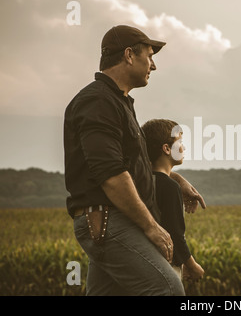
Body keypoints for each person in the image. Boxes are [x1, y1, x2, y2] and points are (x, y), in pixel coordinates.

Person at [63, 25, 205, 295]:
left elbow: (133, 166)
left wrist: (176, 179)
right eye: (150, 56)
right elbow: (111, 175)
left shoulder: (118, 102)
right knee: (168, 288)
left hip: (112, 221)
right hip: (111, 222)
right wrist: (151, 227)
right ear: (129, 55)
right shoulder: (98, 102)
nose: (153, 66)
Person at [141, 119, 205, 283]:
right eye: (180, 142)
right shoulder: (170, 187)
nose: (184, 147)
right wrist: (192, 265)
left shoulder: (142, 183)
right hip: (166, 265)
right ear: (167, 149)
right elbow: (176, 235)